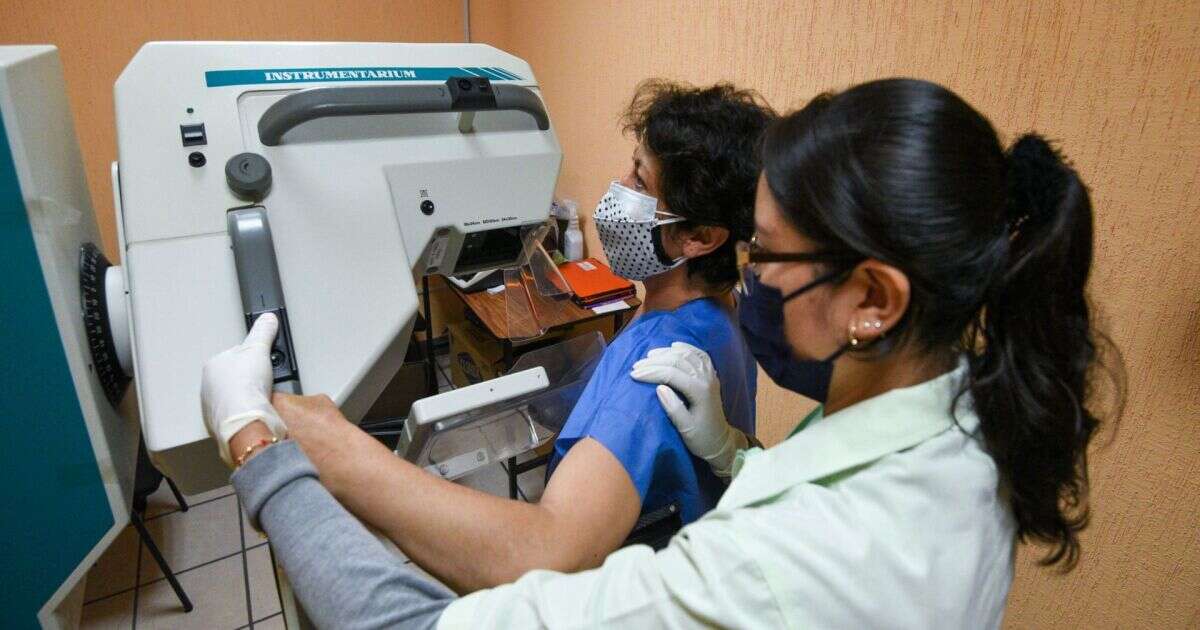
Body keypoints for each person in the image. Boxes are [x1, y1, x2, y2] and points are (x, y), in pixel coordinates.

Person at [204, 78, 1121, 628]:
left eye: (765, 251)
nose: (749, 273)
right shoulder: (965, 419)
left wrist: (271, 445)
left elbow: (490, 586)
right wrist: (737, 454)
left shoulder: (775, 547)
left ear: (873, 300)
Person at [206, 80, 774, 597]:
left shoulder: (651, 377)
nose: (617, 190)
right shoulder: (728, 313)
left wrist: (331, 442)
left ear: (699, 236)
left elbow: (546, 552)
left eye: (640, 181)